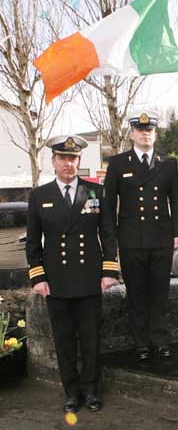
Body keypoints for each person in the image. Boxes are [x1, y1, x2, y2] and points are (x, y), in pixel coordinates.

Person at [26, 135, 119, 412]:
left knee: (91, 339)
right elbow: (33, 242)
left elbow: (108, 234)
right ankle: (71, 392)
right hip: (56, 281)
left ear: (79, 161)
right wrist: (38, 277)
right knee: (64, 340)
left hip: (89, 278)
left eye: (73, 158)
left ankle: (91, 391)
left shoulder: (95, 192)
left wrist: (109, 269)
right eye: (63, 158)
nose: (68, 163)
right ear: (53, 161)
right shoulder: (39, 195)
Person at [103, 111, 178, 361]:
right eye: (140, 130)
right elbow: (108, 205)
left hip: (161, 238)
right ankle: (141, 343)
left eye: (149, 130)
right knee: (136, 294)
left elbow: (176, 200)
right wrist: (112, 239)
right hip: (131, 240)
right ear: (132, 134)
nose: (145, 133)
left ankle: (160, 340)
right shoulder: (118, 163)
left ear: (155, 134)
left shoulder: (167, 163)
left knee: (160, 293)